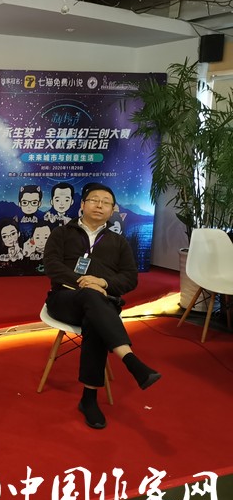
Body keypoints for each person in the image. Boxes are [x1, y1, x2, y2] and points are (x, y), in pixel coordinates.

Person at [43, 182, 161, 430]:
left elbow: (130, 278)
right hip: (64, 299)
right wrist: (83, 281)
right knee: (91, 298)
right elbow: (52, 266)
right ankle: (130, 361)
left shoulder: (119, 242)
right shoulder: (62, 233)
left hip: (102, 303)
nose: (99, 205)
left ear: (112, 210)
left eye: (106, 202)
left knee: (94, 318)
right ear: (82, 205)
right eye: (94, 200)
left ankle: (89, 398)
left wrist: (104, 283)